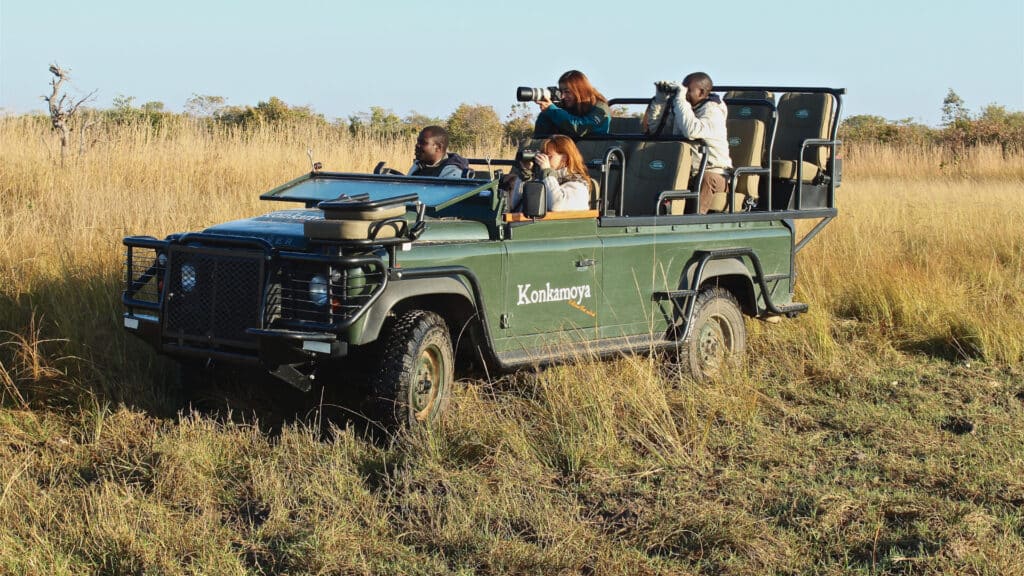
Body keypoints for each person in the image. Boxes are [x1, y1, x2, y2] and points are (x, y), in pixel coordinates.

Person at [643, 72, 732, 214]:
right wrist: (661, 99)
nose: (683, 94)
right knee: (655, 168)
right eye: (682, 89)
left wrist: (680, 99)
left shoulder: (713, 110)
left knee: (707, 179)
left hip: (713, 172)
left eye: (687, 90)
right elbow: (656, 131)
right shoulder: (683, 109)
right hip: (684, 170)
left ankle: (695, 223)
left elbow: (691, 131)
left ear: (702, 92)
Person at [505, 135, 591, 212]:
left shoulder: (578, 186)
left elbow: (556, 205)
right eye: (542, 155)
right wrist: (526, 174)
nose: (543, 159)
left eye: (549, 156)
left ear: (564, 158)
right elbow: (514, 204)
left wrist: (547, 171)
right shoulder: (544, 180)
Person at [532, 70, 611, 138]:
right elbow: (541, 134)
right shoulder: (568, 107)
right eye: (561, 92)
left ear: (580, 91)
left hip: (593, 150)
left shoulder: (600, 107)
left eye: (567, 92)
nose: (562, 96)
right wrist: (547, 112)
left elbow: (581, 128)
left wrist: (553, 111)